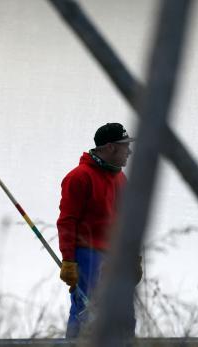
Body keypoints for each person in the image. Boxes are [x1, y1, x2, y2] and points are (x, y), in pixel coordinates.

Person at [57, 122, 140, 338]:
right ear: (110, 147)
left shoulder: (121, 179)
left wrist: (134, 258)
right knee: (85, 313)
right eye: (125, 146)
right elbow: (67, 221)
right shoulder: (78, 177)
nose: (129, 152)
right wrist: (68, 261)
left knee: (124, 314)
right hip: (88, 256)